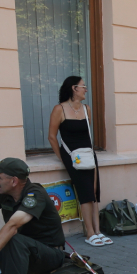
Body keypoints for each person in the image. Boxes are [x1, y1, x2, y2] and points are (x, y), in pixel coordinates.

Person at [48, 76, 111, 248]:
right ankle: (89, 232)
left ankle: (98, 231)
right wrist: (63, 158)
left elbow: (86, 135)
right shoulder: (59, 109)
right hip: (72, 156)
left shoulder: (86, 109)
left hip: (88, 154)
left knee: (94, 192)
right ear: (74, 88)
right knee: (85, 193)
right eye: (83, 86)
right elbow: (52, 137)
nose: (86, 89)